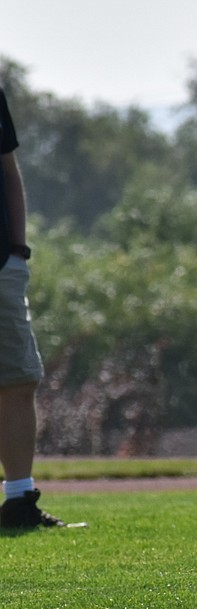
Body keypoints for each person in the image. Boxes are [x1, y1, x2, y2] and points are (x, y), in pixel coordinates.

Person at [0, 88, 69, 531]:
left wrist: (18, 250)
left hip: (1, 262)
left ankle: (19, 498)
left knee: (19, 379)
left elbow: (8, 171)